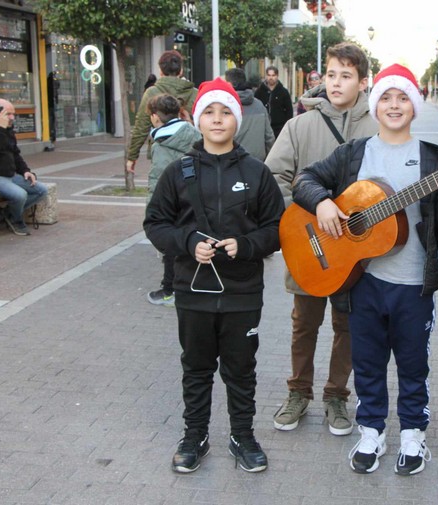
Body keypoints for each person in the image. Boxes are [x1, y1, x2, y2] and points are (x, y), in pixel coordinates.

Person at [291, 64, 438, 475]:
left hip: (412, 285)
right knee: (368, 362)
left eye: (403, 97)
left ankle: (413, 433)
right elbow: (305, 179)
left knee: (413, 365)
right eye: (386, 97)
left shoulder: (434, 160)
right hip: (362, 282)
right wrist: (322, 202)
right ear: (374, 106)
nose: (394, 105)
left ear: (415, 106)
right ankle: (371, 430)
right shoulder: (354, 153)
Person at [143, 78, 284, 475]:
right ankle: (195, 436)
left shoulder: (257, 172)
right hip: (193, 289)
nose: (218, 119)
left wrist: (250, 244)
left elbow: (277, 227)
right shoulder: (177, 172)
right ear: (197, 118)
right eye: (209, 112)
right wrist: (188, 242)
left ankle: (242, 435)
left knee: (241, 369)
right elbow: (155, 223)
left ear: (236, 119)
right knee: (197, 368)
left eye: (225, 112)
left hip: (242, 292)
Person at [265, 42, 377, 437]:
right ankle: (298, 393)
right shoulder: (299, 126)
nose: (336, 82)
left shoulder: (377, 128)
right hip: (308, 247)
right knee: (304, 325)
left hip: (354, 256)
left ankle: (336, 396)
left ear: (362, 82)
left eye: (346, 75)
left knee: (347, 326)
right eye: (331, 74)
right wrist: (298, 223)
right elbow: (273, 179)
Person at [144, 94, 202, 307]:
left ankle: (170, 291)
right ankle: (184, 287)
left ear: (155, 117)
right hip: (195, 199)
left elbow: (157, 179)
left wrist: (152, 212)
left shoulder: (161, 143)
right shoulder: (195, 133)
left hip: (172, 203)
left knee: (171, 247)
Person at [126, 50, 198, 181]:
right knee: (188, 189)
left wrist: (132, 156)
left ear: (160, 71)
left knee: (163, 191)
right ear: (181, 70)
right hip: (190, 152)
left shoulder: (151, 93)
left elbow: (141, 126)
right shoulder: (195, 94)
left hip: (161, 152)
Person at [0, 99, 48, 236]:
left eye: (14, 114)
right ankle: (16, 220)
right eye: (9, 114)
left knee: (41, 190)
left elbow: (15, 154)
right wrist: (0, 129)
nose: (13, 117)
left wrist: (26, 171)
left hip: (10, 174)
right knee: (20, 195)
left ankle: (5, 213)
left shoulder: (7, 128)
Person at [224, 68, 274, 161]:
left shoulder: (226, 107)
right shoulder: (259, 105)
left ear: (229, 85)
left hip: (233, 163)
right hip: (258, 163)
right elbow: (269, 137)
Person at [254, 66, 293, 139]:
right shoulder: (259, 92)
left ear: (277, 76)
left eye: (273, 75)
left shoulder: (283, 92)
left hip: (279, 129)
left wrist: (286, 127)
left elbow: (289, 111)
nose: (271, 78)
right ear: (266, 76)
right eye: (269, 75)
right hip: (263, 128)